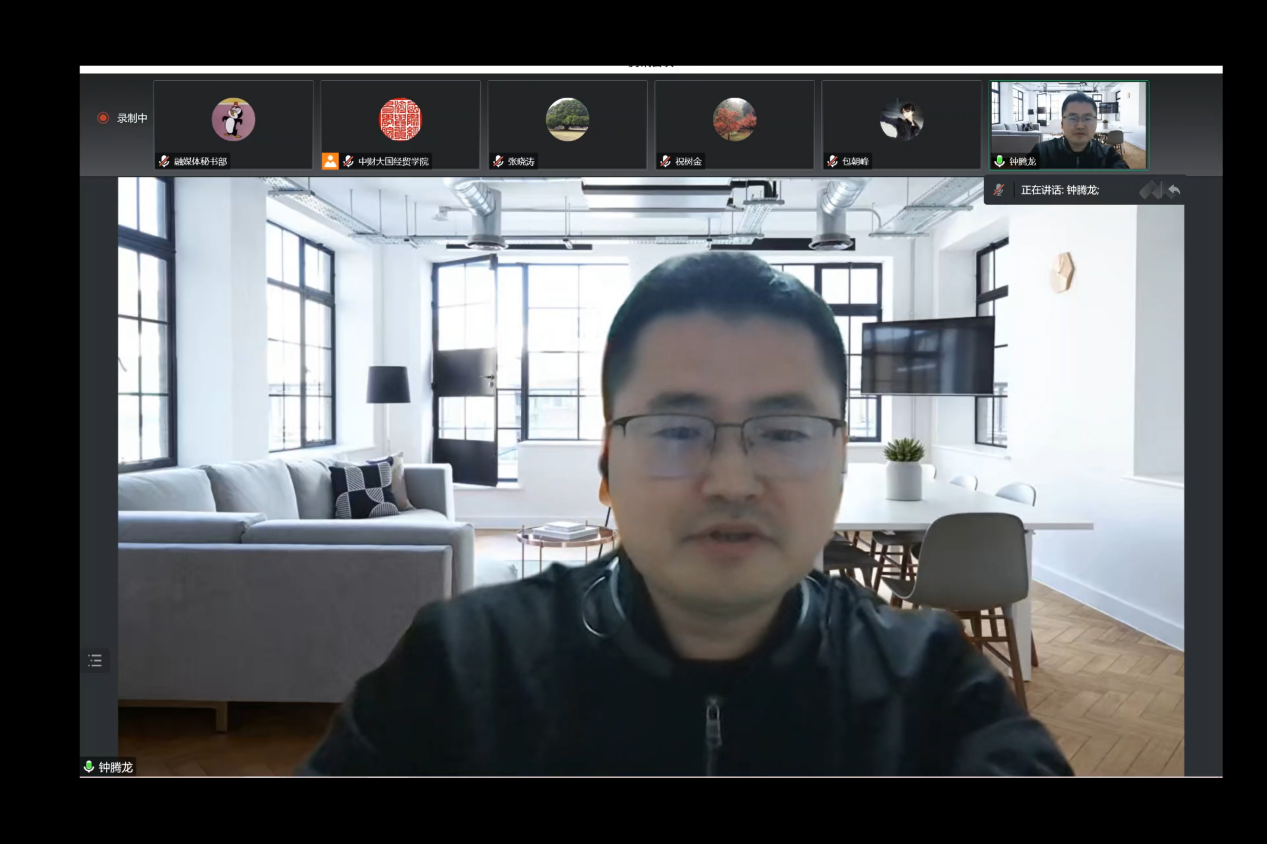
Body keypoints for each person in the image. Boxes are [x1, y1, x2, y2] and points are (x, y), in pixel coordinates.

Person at [298, 252, 1073, 777]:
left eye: (784, 430)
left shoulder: (931, 682)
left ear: (840, 460)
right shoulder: (462, 665)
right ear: (607, 460)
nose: (731, 480)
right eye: (675, 428)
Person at [1027, 92, 1129, 169]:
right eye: (1072, 118)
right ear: (1062, 123)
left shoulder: (1108, 154)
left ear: (1096, 123)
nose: (1080, 126)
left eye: (1087, 118)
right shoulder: (1042, 151)